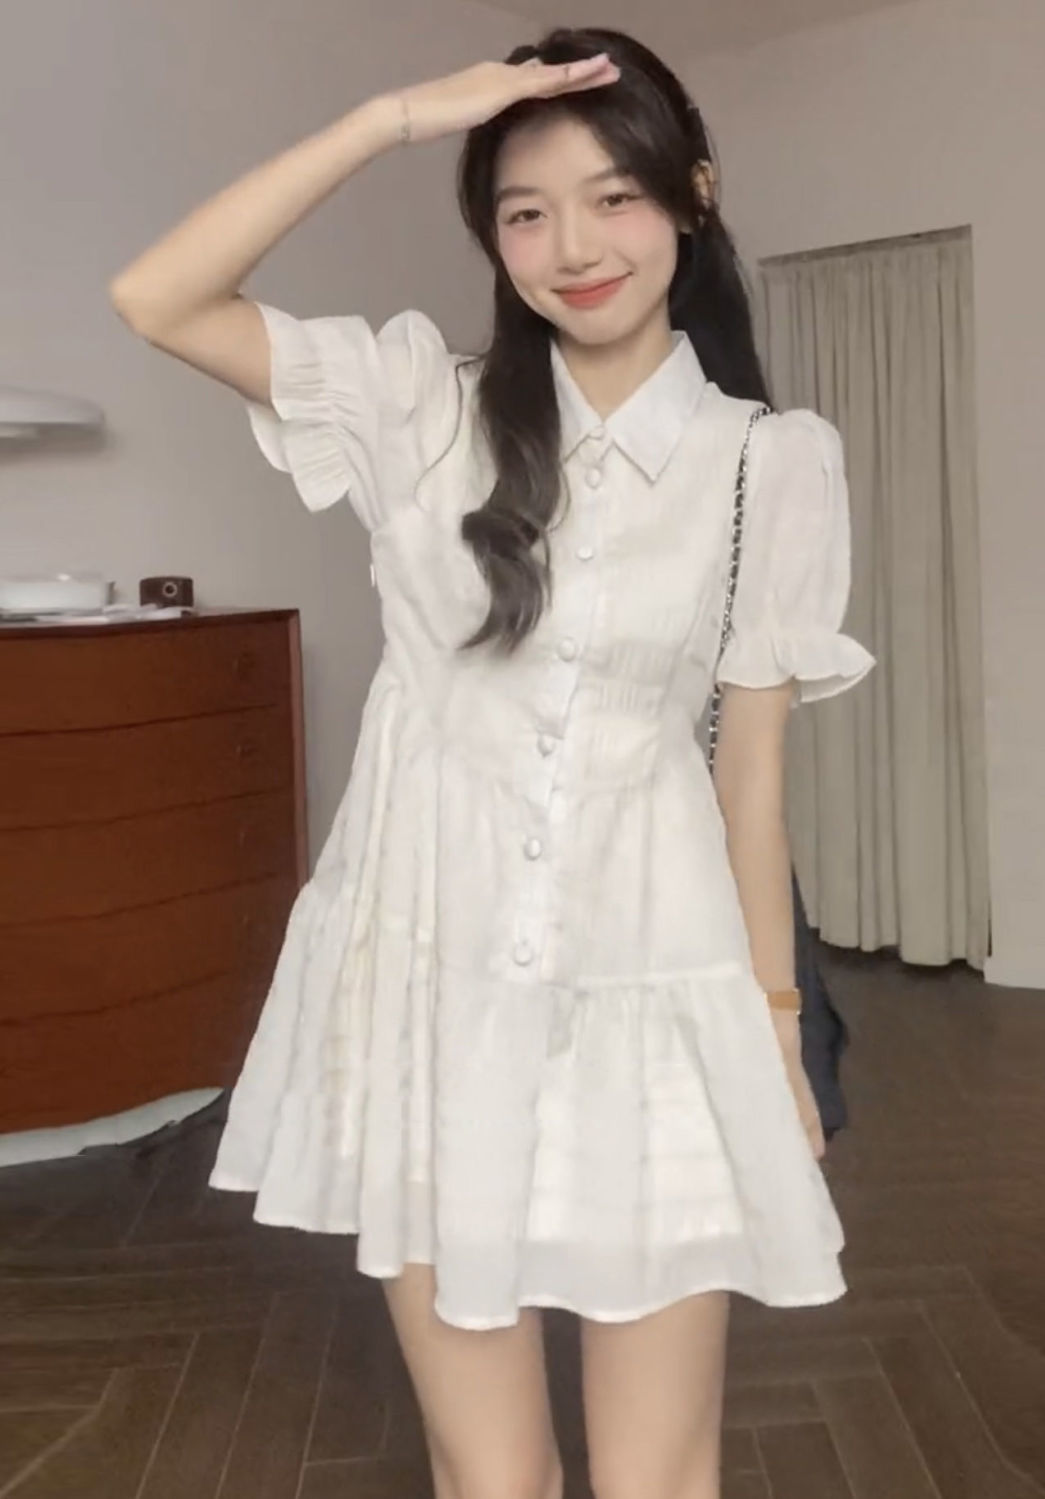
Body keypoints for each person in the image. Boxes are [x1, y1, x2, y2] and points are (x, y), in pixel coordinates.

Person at [111, 26, 874, 1499]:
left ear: (694, 193)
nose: (573, 247)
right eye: (526, 212)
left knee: (660, 1478)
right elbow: (160, 295)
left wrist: (777, 1043)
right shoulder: (417, 407)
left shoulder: (769, 463)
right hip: (431, 1006)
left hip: (653, 1000)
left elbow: (751, 786)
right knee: (494, 1478)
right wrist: (394, 115)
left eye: (614, 197)